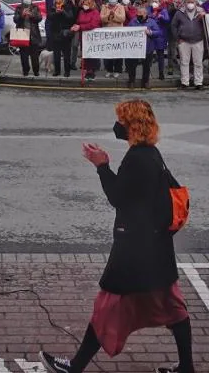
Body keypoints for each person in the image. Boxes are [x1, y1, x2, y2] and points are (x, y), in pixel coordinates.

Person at [41, 99, 194, 373]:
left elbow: (118, 198)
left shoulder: (137, 159)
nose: (117, 126)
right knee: (173, 308)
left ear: (132, 126)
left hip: (134, 251)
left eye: (122, 121)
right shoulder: (151, 153)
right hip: (156, 249)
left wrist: (101, 166)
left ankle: (75, 367)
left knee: (106, 308)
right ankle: (186, 368)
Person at [170, 0, 205, 90]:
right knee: (184, 62)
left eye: (192, 1)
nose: (190, 3)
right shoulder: (179, 13)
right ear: (185, 3)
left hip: (198, 40)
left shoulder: (201, 12)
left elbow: (207, 24)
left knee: (198, 63)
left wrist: (204, 17)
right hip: (184, 41)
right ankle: (185, 82)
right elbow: (173, 26)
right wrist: (177, 38)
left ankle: (198, 82)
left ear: (195, 2)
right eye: (188, 1)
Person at [13, 0, 44, 78]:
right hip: (22, 34)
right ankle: (25, 70)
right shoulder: (19, 8)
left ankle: (36, 71)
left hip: (33, 34)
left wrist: (32, 15)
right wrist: (22, 16)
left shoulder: (35, 7)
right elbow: (15, 19)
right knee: (24, 55)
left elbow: (39, 18)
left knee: (34, 55)